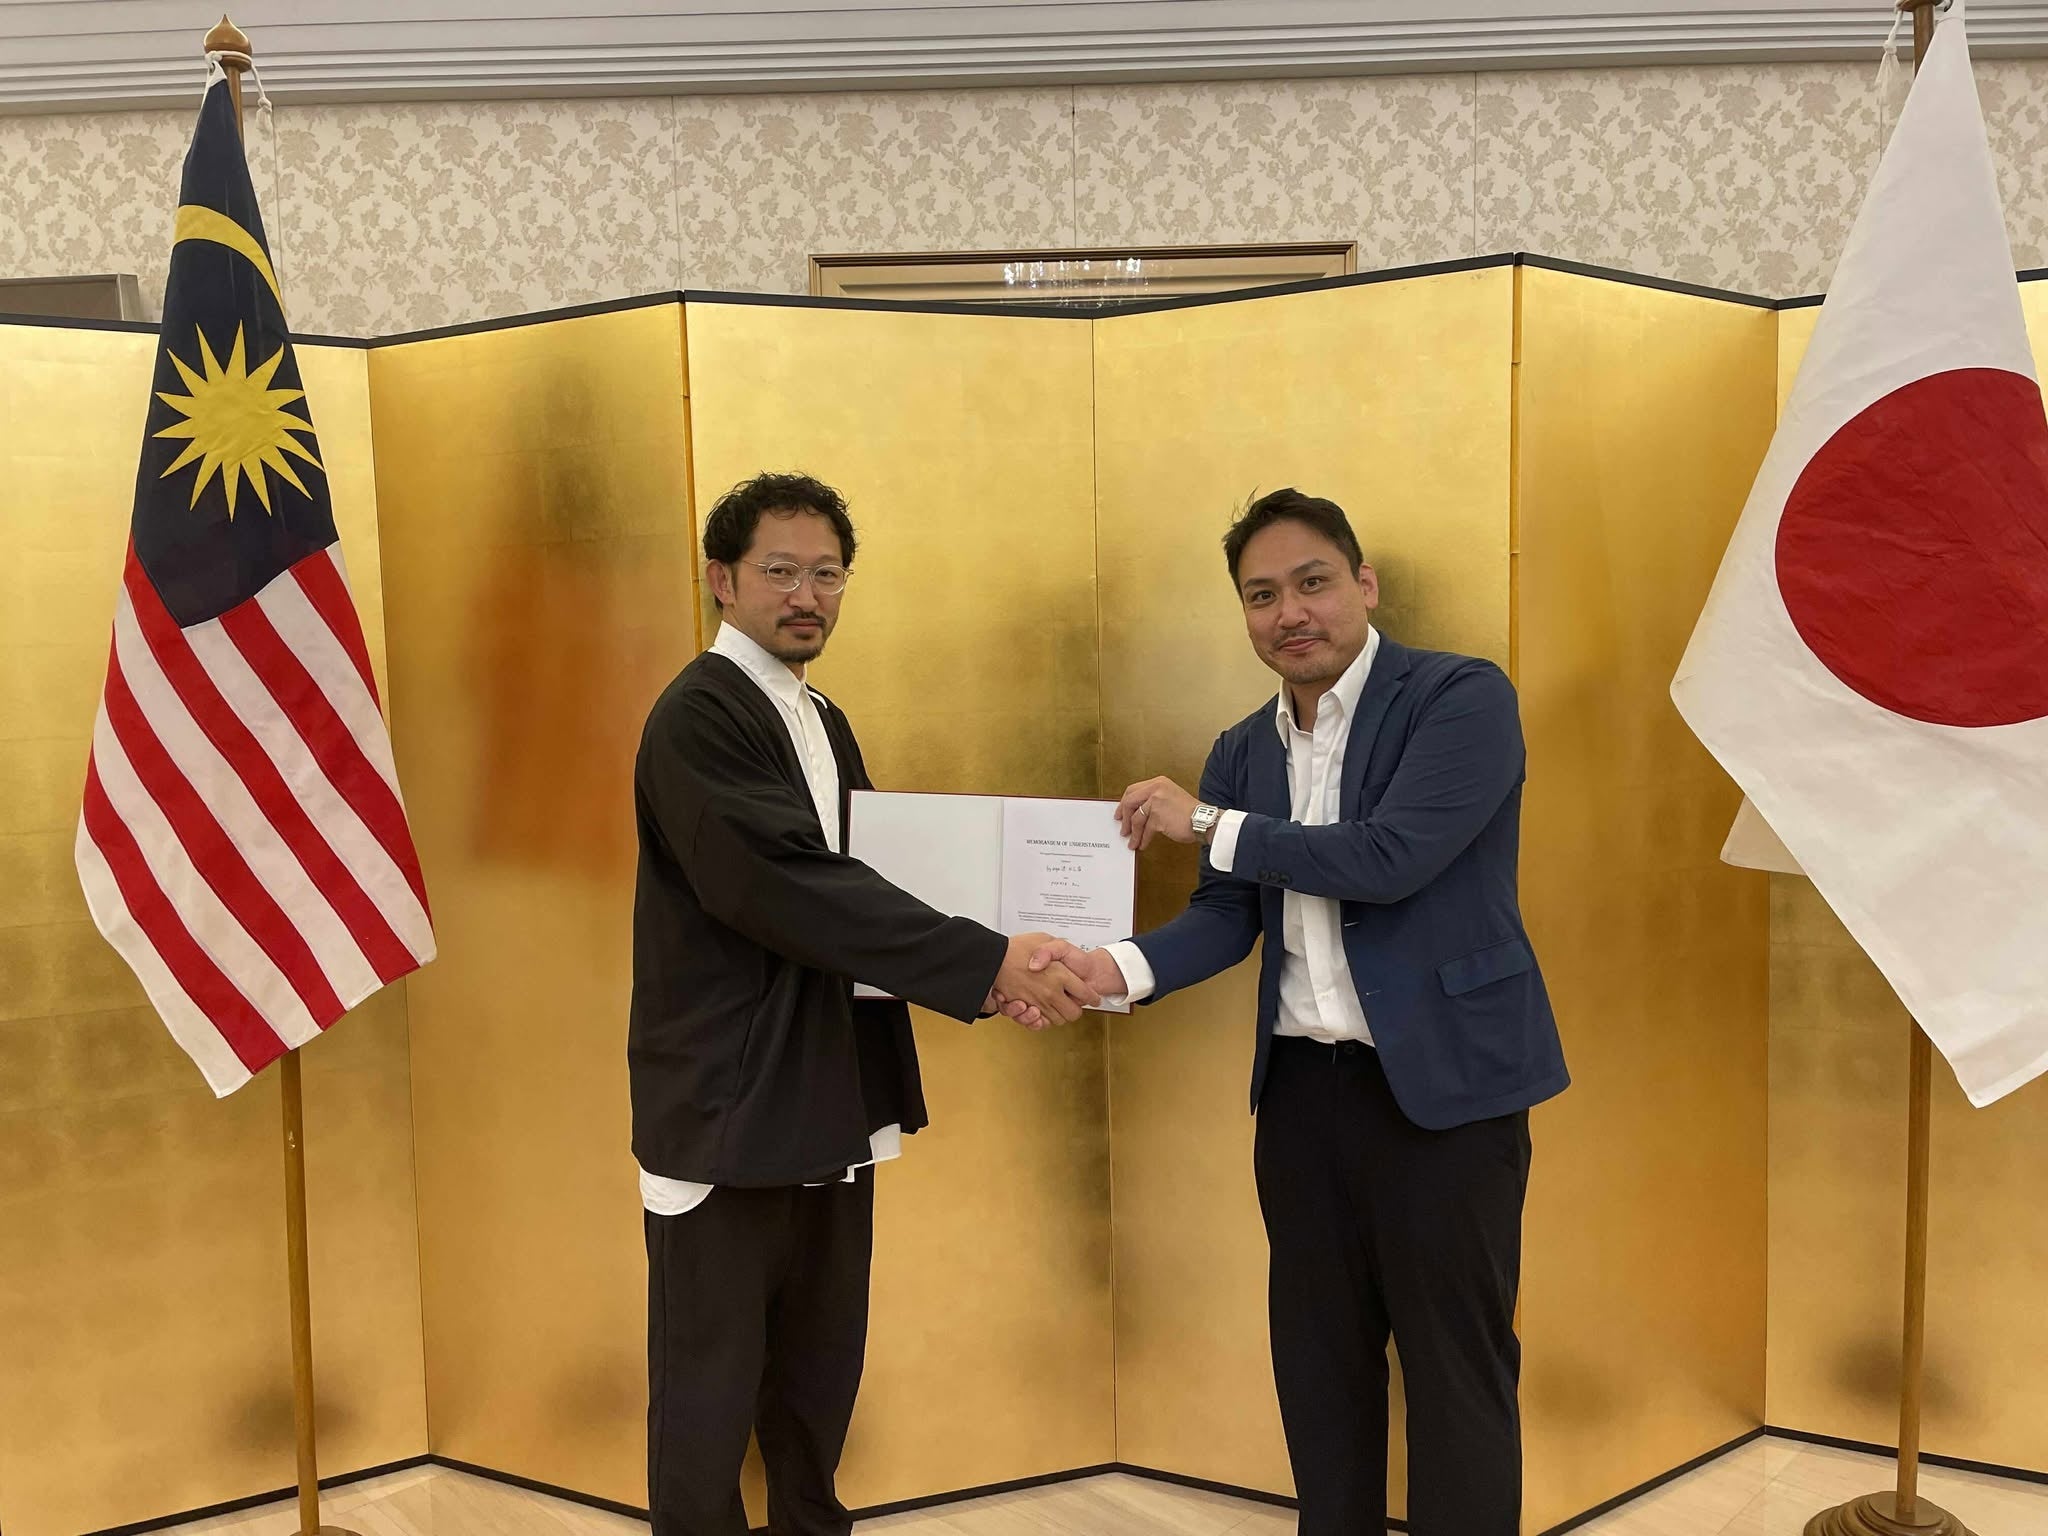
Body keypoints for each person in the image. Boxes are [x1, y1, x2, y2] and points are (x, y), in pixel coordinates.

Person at [1027, 488, 1567, 1536]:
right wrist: (1112, 969)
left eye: (1312, 582)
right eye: (1261, 595)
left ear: (1364, 584)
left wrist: (1206, 822)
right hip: (1301, 1102)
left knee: (1456, 1372)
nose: (1290, 613)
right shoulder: (1243, 747)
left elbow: (1389, 858)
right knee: (1319, 1368)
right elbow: (1226, 914)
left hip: (1446, 1098)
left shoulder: (1459, 698)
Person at [629, 471, 1098, 1536]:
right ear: (721, 580)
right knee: (707, 1393)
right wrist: (988, 961)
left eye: (828, 574)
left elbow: (870, 877)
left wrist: (998, 954)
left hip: (829, 1090)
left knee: (817, 1373)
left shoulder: (817, 714)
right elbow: (788, 886)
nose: (808, 596)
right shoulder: (698, 714)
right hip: (730, 1098)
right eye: (780, 571)